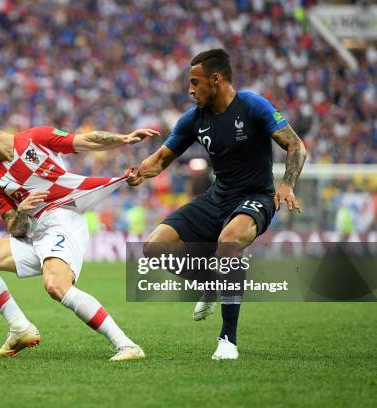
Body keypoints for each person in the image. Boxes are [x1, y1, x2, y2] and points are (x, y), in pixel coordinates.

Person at [128, 49, 306, 360]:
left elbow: (295, 144)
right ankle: (212, 282)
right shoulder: (194, 119)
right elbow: (159, 161)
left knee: (229, 240)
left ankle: (228, 340)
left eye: (195, 82)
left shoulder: (252, 105)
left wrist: (287, 183)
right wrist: (138, 173)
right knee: (153, 248)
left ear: (216, 79)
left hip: (256, 197)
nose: (190, 89)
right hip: (217, 197)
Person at [0, 105, 158, 361]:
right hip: (34, 232)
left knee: (56, 286)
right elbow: (15, 228)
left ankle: (126, 345)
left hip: (63, 220)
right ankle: (20, 328)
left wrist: (123, 138)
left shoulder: (35, 138)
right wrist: (22, 212)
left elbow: (87, 140)